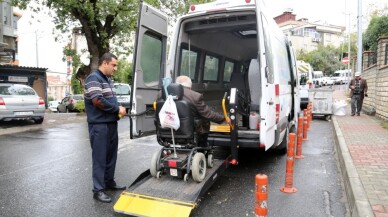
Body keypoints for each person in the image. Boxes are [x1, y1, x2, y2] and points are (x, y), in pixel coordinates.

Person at [84, 52, 127, 203]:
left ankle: (109, 183)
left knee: (111, 156)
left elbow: (109, 100)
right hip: (99, 125)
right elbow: (97, 101)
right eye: (114, 65)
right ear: (104, 63)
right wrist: (117, 110)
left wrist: (119, 107)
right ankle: (98, 190)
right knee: (100, 158)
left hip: (110, 124)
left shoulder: (108, 80)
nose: (115, 68)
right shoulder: (93, 78)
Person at [162, 75, 228, 146]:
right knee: (204, 120)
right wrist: (224, 118)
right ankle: (203, 147)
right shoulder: (195, 96)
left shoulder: (163, 94)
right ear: (190, 87)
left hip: (167, 131)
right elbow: (207, 114)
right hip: (190, 132)